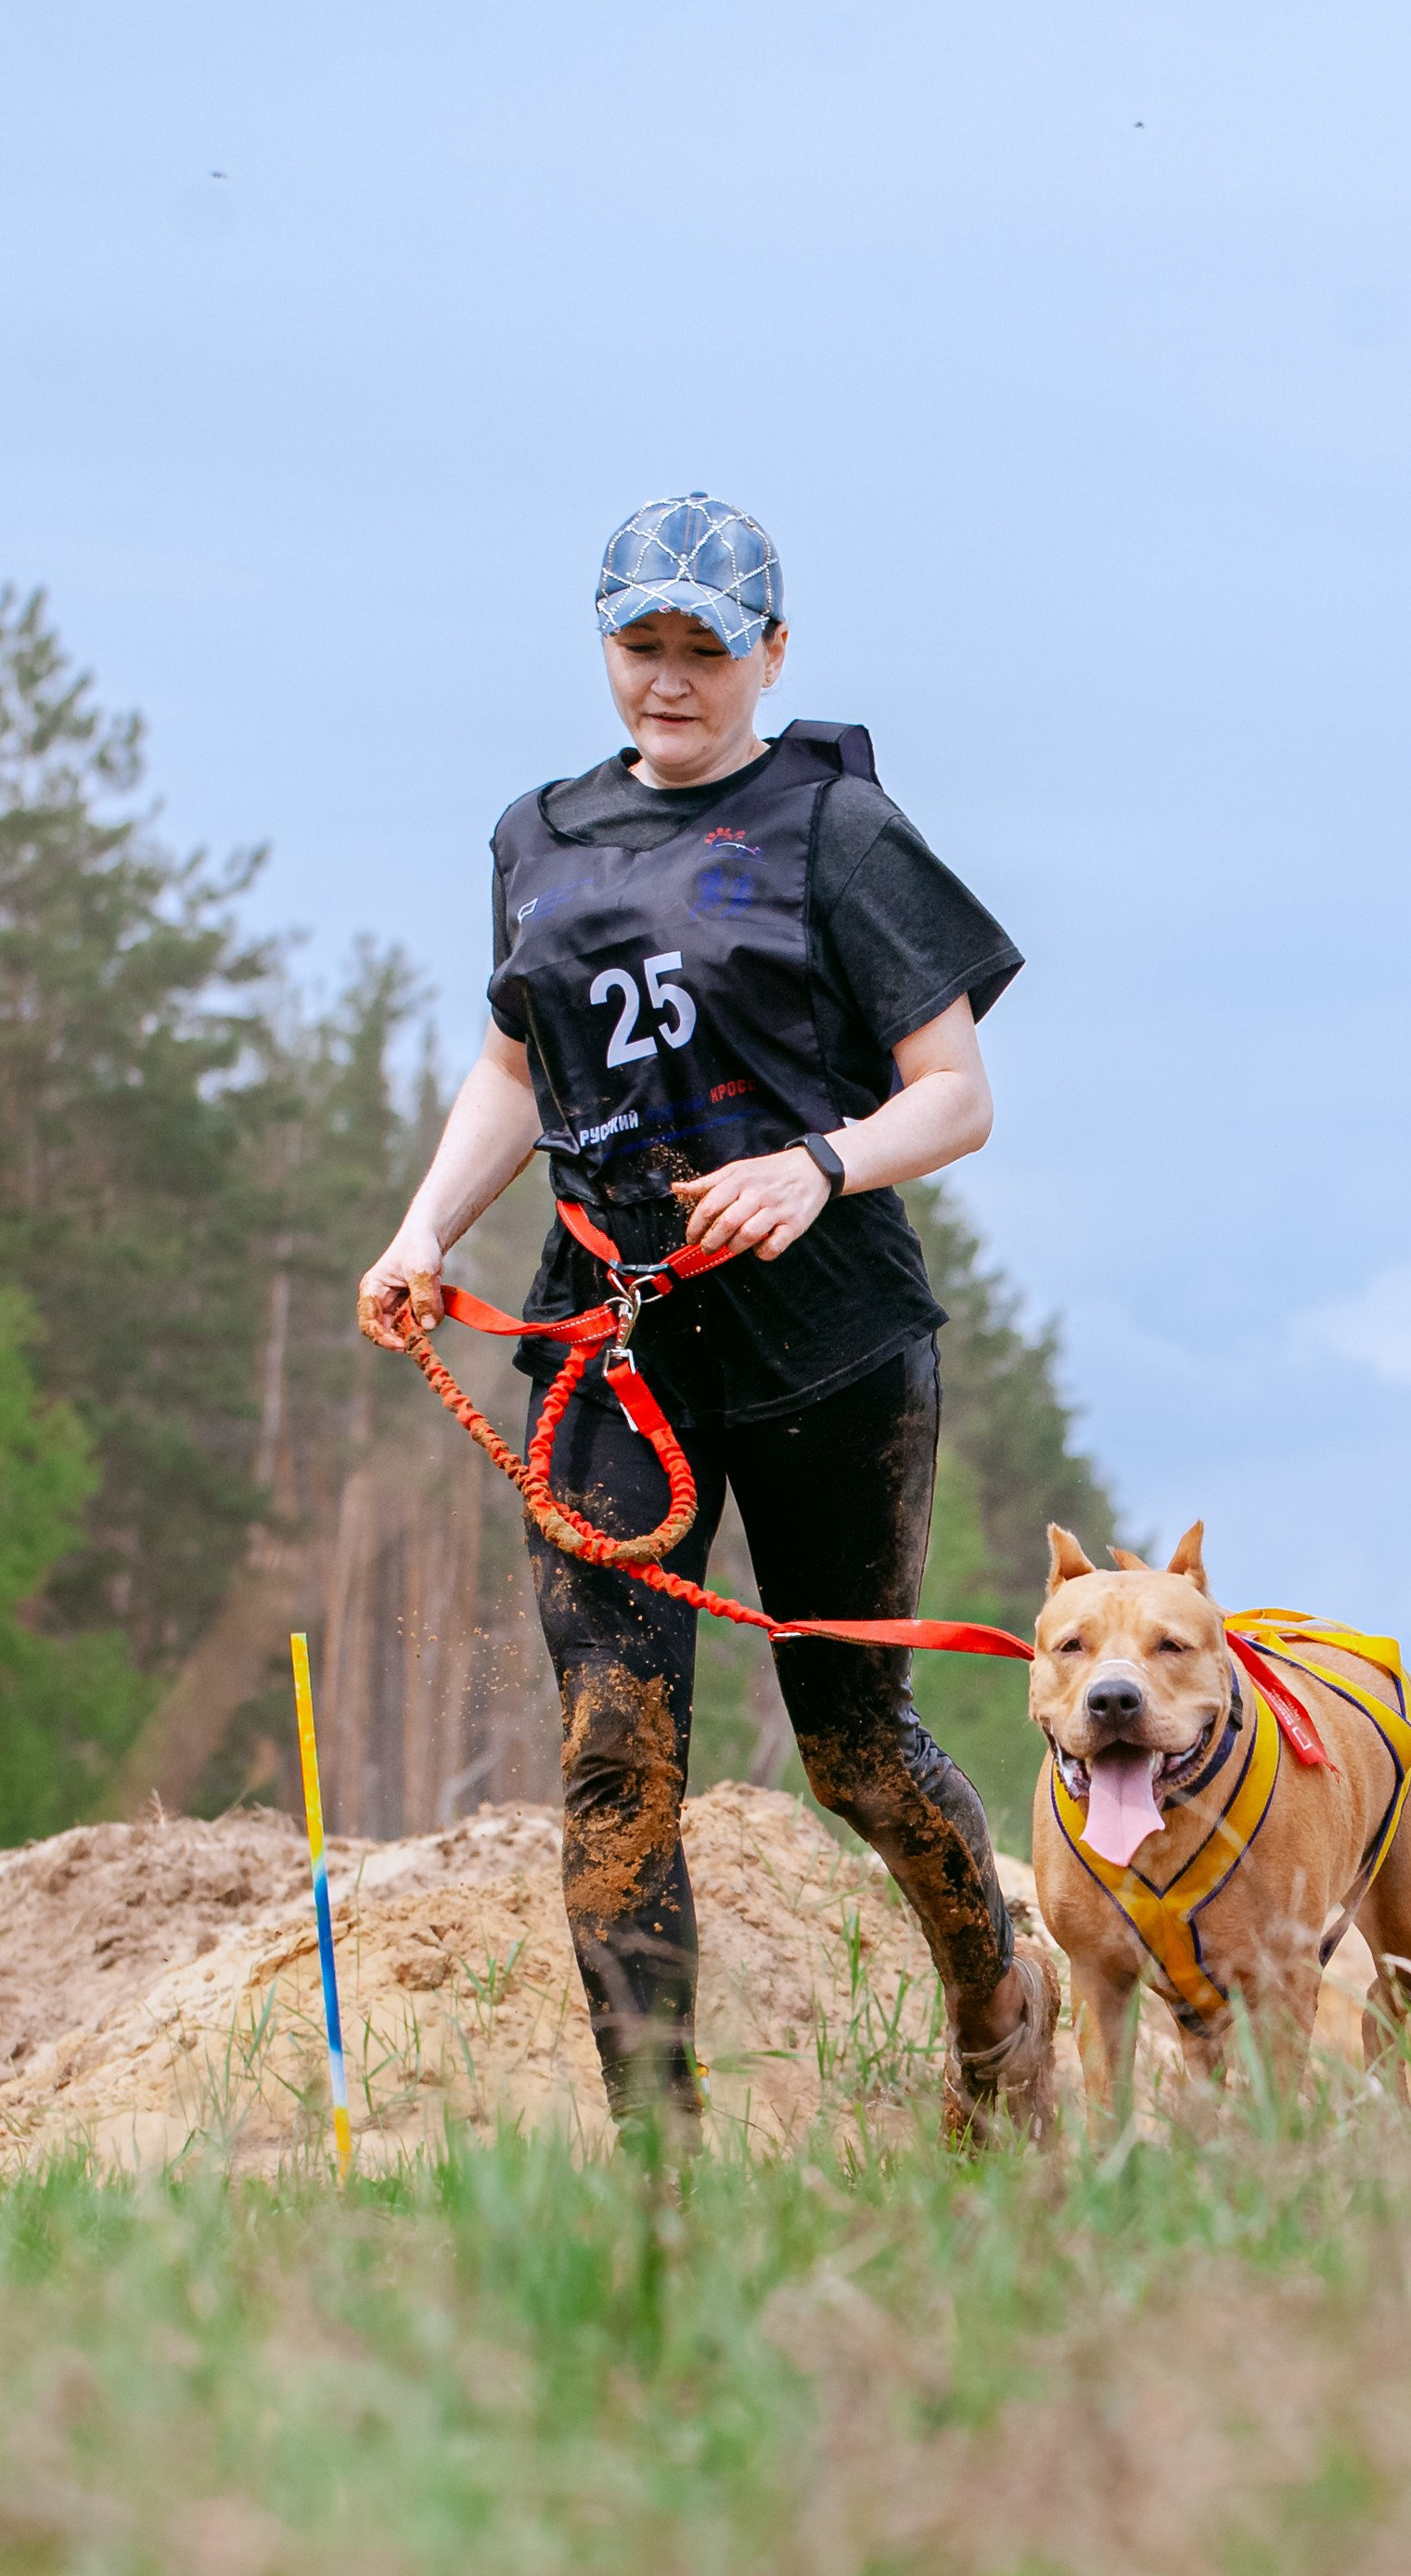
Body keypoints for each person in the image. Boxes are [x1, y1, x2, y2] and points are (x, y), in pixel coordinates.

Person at [358, 491, 1058, 2145]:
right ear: (603, 646)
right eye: (639, 647)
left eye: (703, 649)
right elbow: (513, 1067)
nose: (668, 681)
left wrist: (820, 1168)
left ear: (770, 653)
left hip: (825, 1341)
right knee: (616, 1760)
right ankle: (659, 2191)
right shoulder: (534, 836)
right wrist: (419, 1226)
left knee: (856, 1752)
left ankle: (996, 2032)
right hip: (606, 1351)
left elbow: (953, 1098)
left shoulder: (842, 831)